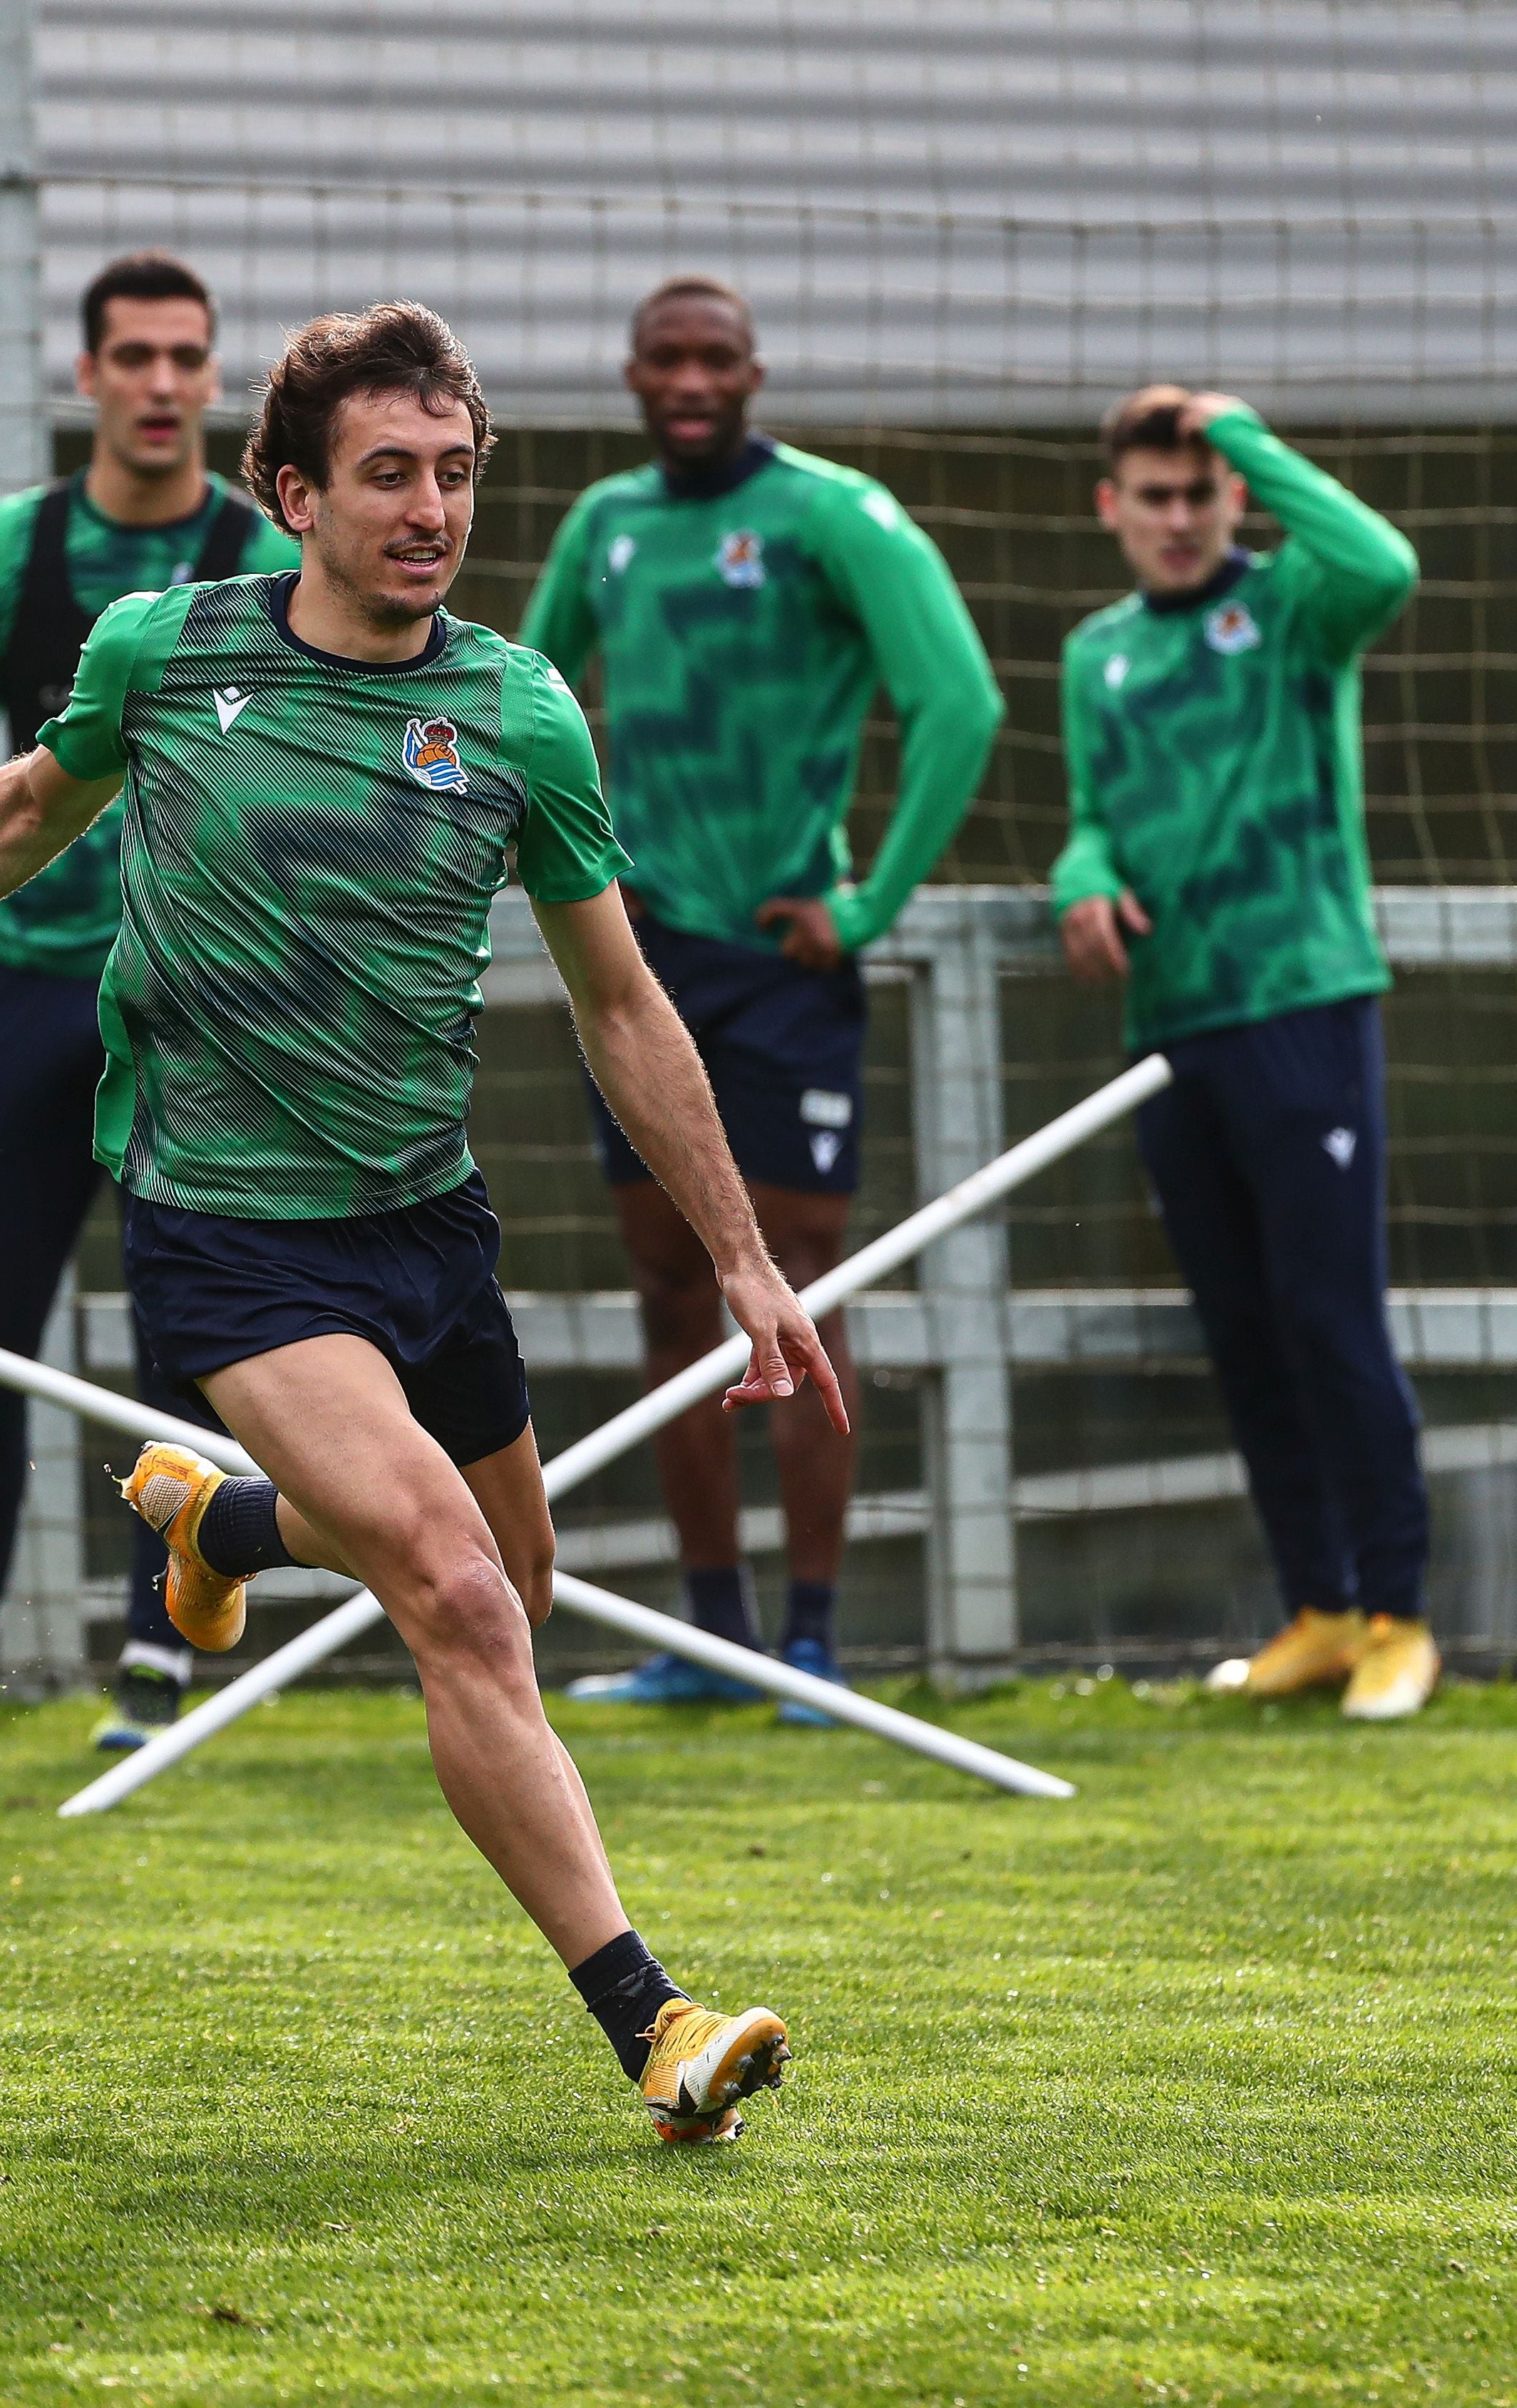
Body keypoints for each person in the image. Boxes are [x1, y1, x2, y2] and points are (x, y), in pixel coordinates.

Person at [0, 302, 850, 2144]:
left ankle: (218, 1518)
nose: (430, 511)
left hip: (424, 1220)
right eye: (388, 475)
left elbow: (621, 1004)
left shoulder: (518, 711)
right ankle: (651, 2016)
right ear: (289, 492)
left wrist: (740, 1253)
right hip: (231, 1228)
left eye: (456, 475)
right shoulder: (162, 650)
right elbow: (20, 808)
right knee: (455, 1590)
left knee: (509, 1603)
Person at [0, 251, 299, 1754]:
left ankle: (157, 1668)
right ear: (88, 375)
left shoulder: (267, 557)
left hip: (201, 1006)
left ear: (214, 380)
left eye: (186, 357)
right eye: (134, 357)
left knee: (190, 1339)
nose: (161, 383)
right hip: (33, 990)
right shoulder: (2, 555)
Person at [519, 275, 1002, 1717]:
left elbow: (960, 705)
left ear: (752, 372)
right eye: (663, 356)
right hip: (644, 969)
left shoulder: (831, 516)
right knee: (667, 1290)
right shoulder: (602, 525)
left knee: (793, 1295)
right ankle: (708, 1638)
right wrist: (588, 864)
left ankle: (807, 1640)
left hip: (787, 968)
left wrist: (864, 905)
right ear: (629, 374)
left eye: (712, 357)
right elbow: (516, 691)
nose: (688, 378)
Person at [1052, 385, 1434, 1720]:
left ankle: (1400, 1614)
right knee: (1244, 1333)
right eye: (1150, 496)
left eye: (1195, 494)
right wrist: (1081, 872)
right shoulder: (1093, 651)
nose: (1173, 518)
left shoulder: (1292, 611)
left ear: (1228, 501)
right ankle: (1320, 1607)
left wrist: (1249, 440)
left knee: (1333, 1320)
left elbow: (1385, 562)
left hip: (1302, 1003)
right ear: (1111, 508)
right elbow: (1092, 816)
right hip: (1169, 1026)